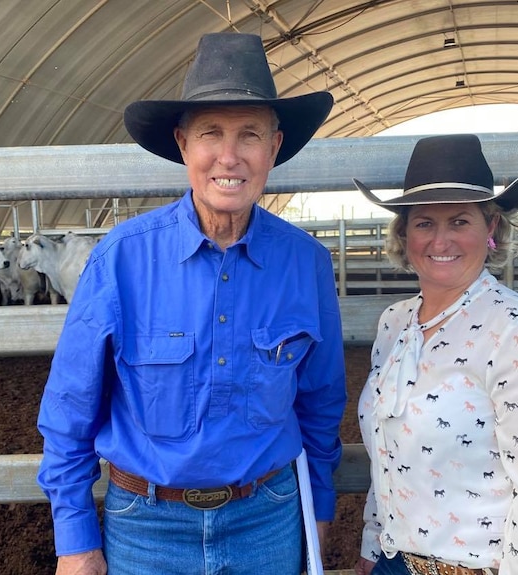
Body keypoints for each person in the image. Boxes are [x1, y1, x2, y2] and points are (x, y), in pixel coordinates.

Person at [37, 32, 347, 575]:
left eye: (250, 134)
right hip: (145, 526)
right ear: (183, 144)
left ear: (274, 147)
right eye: (211, 133)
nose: (230, 156)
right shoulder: (120, 260)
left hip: (268, 521)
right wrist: (76, 539)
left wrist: (317, 508)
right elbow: (69, 410)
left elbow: (321, 404)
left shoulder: (307, 264)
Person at [351, 134, 518, 575]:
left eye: (459, 221)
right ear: (404, 233)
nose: (441, 241)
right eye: (424, 223)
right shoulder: (395, 323)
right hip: (390, 562)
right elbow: (388, 447)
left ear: (490, 228)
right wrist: (373, 540)